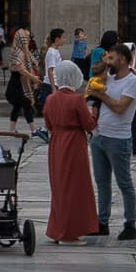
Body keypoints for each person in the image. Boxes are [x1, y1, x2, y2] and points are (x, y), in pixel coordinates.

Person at [88, 40, 136, 242]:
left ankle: (130, 224)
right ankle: (102, 222)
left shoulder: (133, 82)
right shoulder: (108, 78)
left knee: (124, 182)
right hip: (99, 136)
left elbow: (120, 108)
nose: (109, 60)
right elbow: (93, 82)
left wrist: (100, 95)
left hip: (118, 140)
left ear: (123, 59)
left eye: (112, 57)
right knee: (102, 182)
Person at [43, 61, 100, 243]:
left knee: (59, 186)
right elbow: (88, 124)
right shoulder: (76, 99)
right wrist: (93, 113)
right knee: (75, 187)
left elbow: (48, 125)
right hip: (74, 143)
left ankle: (58, 229)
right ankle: (71, 231)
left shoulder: (51, 99)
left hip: (56, 143)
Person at [5, 29, 39, 131]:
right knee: (26, 104)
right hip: (15, 87)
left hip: (20, 85)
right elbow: (21, 70)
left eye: (29, 37)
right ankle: (33, 130)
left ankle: (12, 129)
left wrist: (34, 62)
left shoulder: (23, 51)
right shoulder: (17, 52)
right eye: (26, 37)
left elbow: (30, 55)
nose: (29, 39)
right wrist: (34, 78)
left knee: (18, 106)